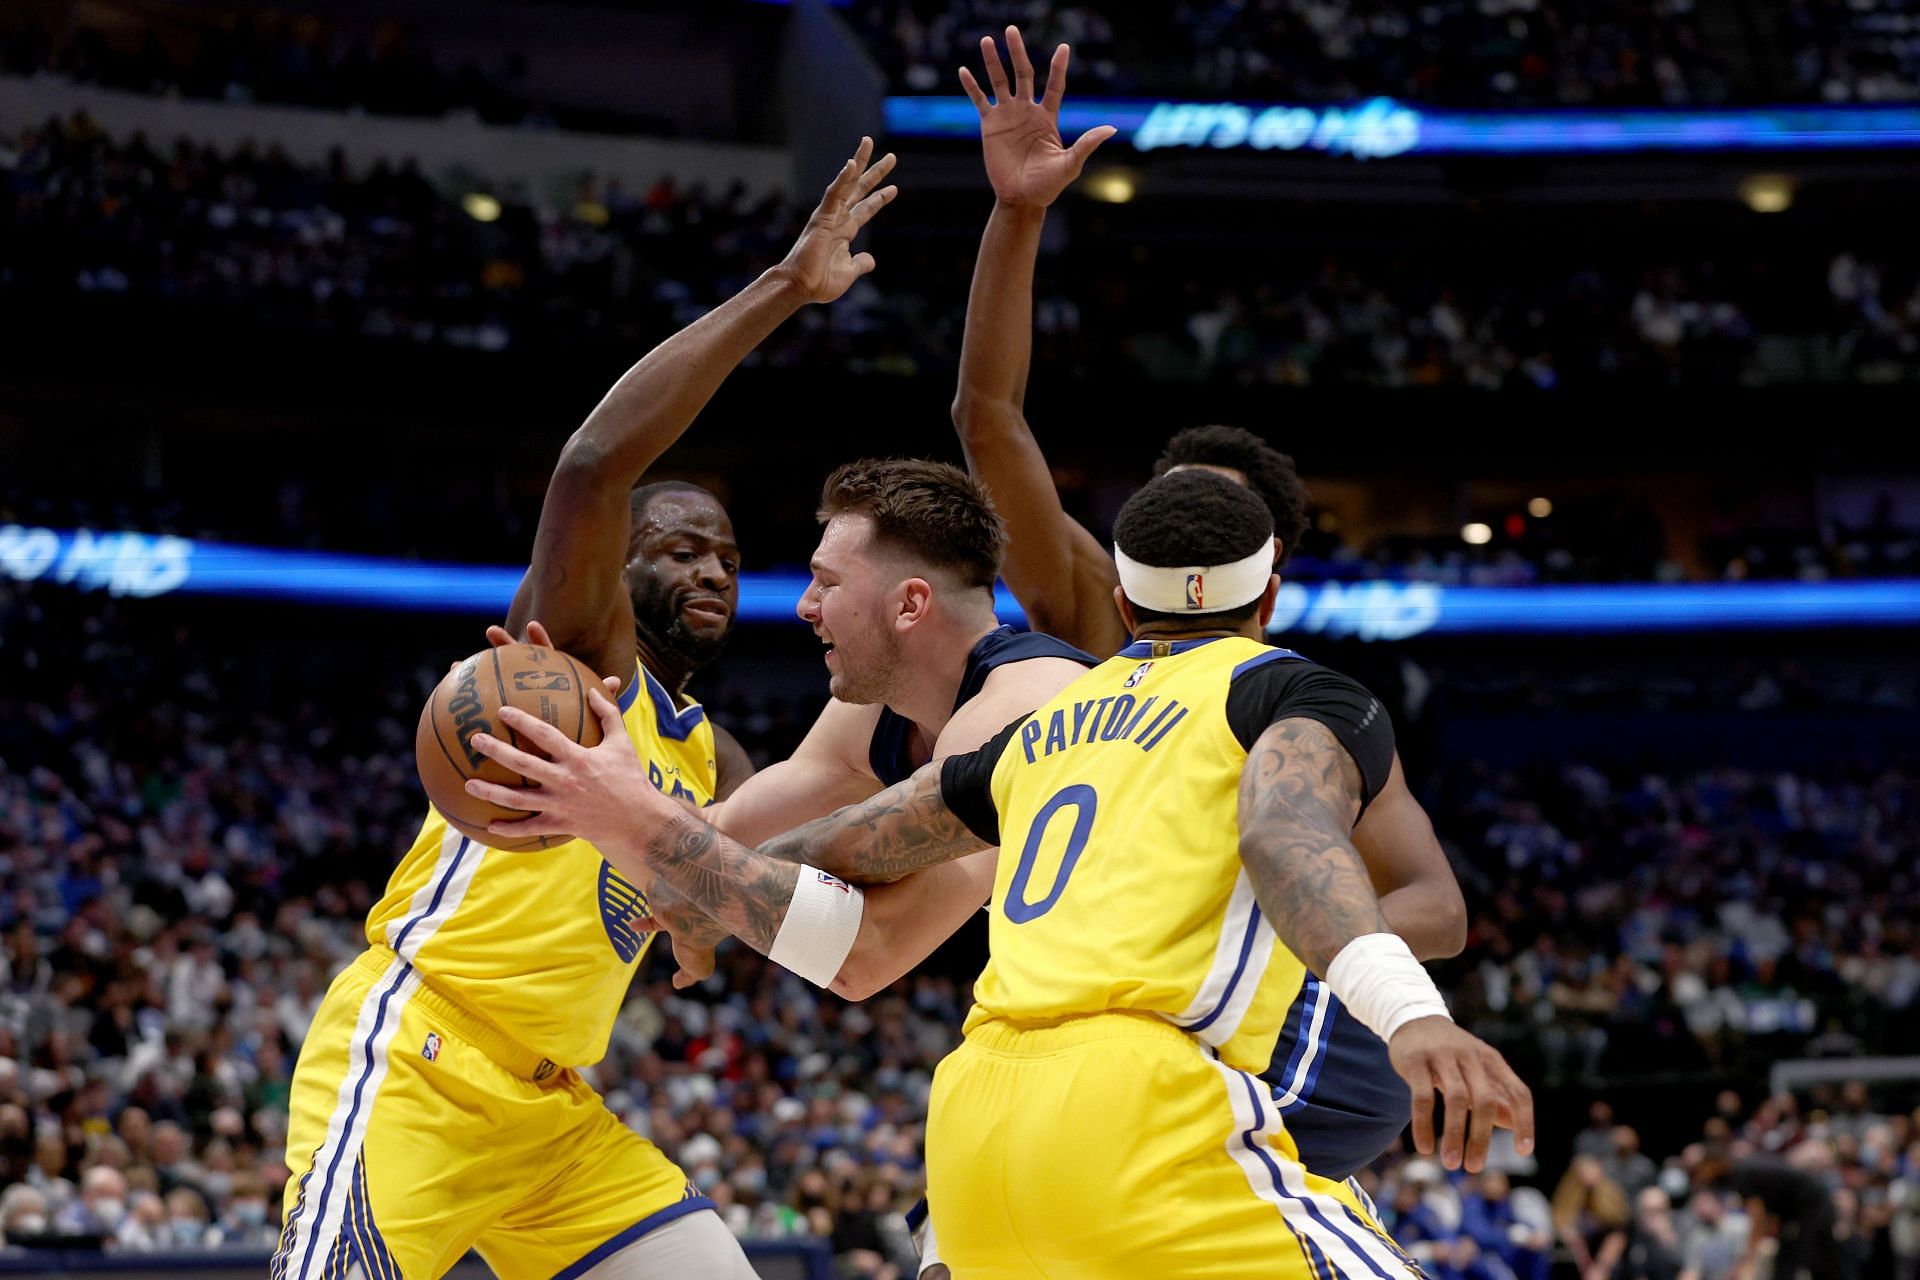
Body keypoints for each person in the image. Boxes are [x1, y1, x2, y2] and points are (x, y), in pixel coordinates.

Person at [468, 468, 1534, 1277]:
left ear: (1120, 600)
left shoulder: (1049, 722)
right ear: (1270, 599)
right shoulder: (1287, 689)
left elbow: (854, 835)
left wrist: (667, 854)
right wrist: (1412, 1015)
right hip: (1148, 1106)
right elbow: (1284, 835)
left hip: (978, 1125)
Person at [271, 138, 899, 1280]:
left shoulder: (722, 751)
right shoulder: (577, 652)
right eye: (682, 547)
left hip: (552, 1117)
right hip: (425, 1054)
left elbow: (802, 847)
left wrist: (719, 905)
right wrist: (787, 287)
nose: (713, 571)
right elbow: (592, 464)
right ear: (620, 568)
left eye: (729, 557)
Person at [945, 25, 1466, 1210]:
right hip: (1084, 1051)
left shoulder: (1305, 708)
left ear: (1268, 571)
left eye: (1215, 531)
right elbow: (988, 419)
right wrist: (1018, 214)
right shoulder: (1097, 615)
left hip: (1263, 1055)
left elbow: (1436, 905)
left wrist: (1258, 911)